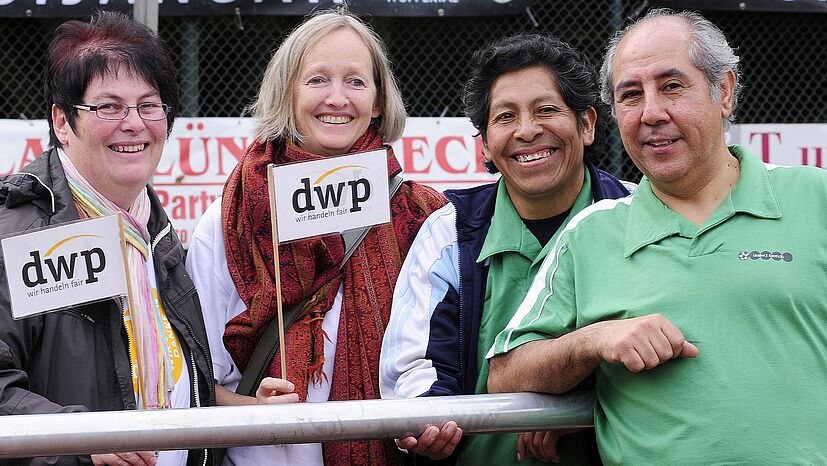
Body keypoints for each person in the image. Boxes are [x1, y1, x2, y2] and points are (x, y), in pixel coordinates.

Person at [488, 8, 827, 465]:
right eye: (630, 95)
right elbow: (505, 373)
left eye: (671, 87)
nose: (651, 113)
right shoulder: (592, 232)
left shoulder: (815, 198)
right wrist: (595, 340)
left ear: (723, 91)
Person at [185, 8, 447, 466]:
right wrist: (252, 410)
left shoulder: (422, 215)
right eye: (317, 80)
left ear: (380, 102)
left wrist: (427, 415)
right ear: (286, 94)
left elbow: (442, 357)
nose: (337, 98)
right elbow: (191, 378)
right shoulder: (234, 216)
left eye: (356, 82)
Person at [379, 34, 632, 465]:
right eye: (505, 116)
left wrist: (576, 405)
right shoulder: (449, 231)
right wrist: (427, 421)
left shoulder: (637, 218)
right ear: (485, 144)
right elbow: (414, 369)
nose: (527, 130)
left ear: (587, 124)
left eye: (546, 110)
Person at [0, 11, 216, 466]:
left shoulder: (156, 234)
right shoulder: (19, 235)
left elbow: (179, 381)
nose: (134, 123)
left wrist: (245, 407)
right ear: (62, 122)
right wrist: (82, 440)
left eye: (149, 105)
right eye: (109, 107)